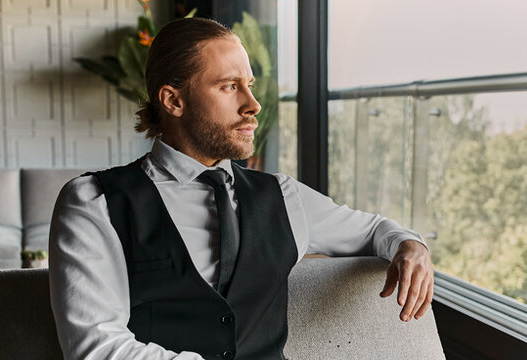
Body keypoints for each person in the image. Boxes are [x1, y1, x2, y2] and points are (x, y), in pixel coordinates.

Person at [48, 17, 434, 360]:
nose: (253, 105)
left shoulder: (284, 196)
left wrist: (410, 246)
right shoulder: (93, 201)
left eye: (249, 85)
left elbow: (375, 230)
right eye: (230, 86)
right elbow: (95, 348)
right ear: (173, 100)